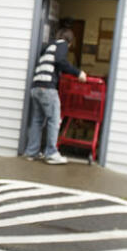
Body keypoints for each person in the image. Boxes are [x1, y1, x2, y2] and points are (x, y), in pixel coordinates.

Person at [23, 26, 86, 164]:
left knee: (37, 120)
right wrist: (78, 73)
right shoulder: (62, 44)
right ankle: (51, 153)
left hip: (36, 86)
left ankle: (31, 152)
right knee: (54, 119)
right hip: (47, 88)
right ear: (69, 41)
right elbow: (60, 60)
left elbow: (50, 61)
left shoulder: (48, 46)